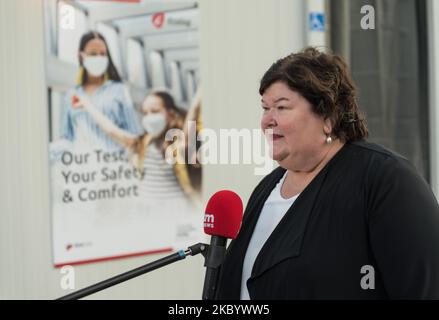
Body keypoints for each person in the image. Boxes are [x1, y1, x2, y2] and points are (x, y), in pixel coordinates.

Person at [215, 47, 439, 300]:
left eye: (281, 107)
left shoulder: (386, 180)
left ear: (328, 117)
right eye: (265, 108)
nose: (267, 120)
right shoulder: (266, 189)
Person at [71, 90, 202, 206]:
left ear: (171, 114)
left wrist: (196, 104)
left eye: (155, 111)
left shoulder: (176, 143)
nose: (149, 117)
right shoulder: (142, 143)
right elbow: (111, 130)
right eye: (145, 113)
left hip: (174, 208)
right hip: (147, 208)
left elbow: (187, 133)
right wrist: (87, 106)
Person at [61, 31, 142, 149]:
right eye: (93, 54)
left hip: (115, 163)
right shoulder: (71, 95)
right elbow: (67, 137)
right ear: (81, 57)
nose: (99, 58)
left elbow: (135, 134)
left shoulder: (119, 90)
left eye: (103, 54)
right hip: (82, 164)